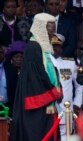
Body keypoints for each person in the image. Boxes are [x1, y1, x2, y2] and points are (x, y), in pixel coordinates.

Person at [10, 13, 62, 141]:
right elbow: (36, 78)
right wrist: (54, 91)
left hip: (48, 106)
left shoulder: (43, 49)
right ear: (41, 28)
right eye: (50, 30)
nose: (53, 34)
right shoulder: (33, 48)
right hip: (37, 109)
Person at [52, 33, 83, 141]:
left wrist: (77, 104)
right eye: (53, 46)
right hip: (49, 108)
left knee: (66, 135)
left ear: (62, 48)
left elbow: (79, 84)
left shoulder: (69, 63)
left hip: (66, 107)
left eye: (58, 46)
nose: (55, 49)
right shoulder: (44, 62)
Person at [3, 41, 26, 117]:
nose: (19, 59)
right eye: (16, 57)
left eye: (21, 57)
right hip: (9, 107)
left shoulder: (27, 72)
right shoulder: (6, 71)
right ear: (11, 59)